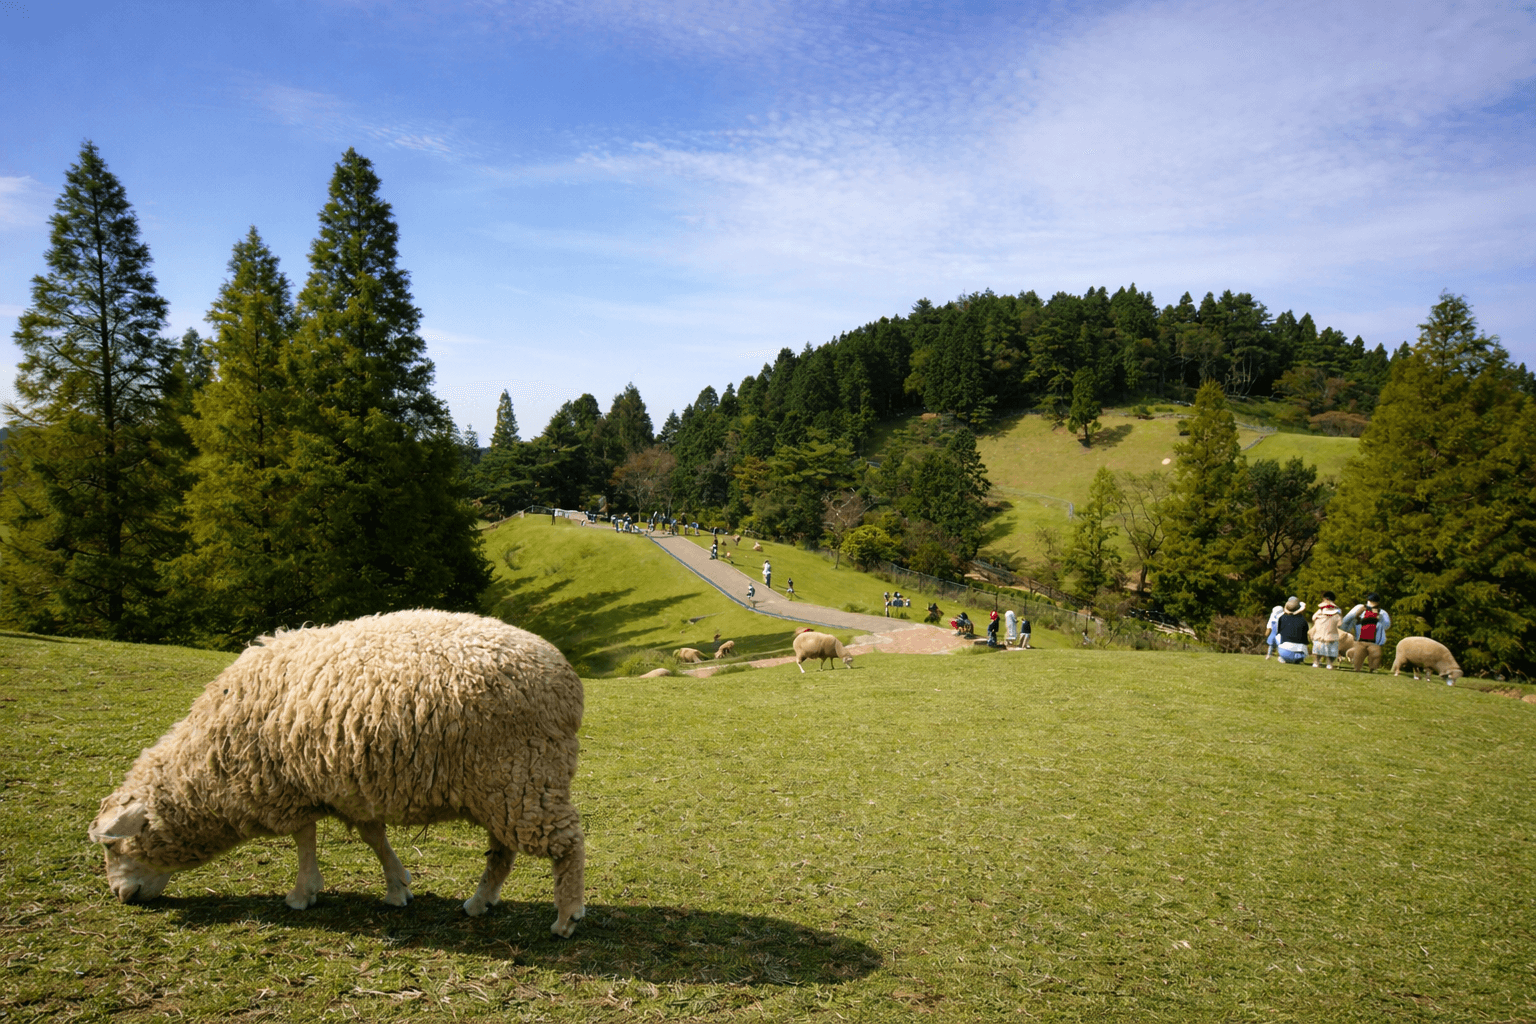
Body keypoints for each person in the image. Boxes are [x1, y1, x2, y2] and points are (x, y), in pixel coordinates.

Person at [1340, 593, 1391, 672]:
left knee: (1362, 653)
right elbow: (1387, 625)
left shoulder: (1360, 608)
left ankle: (1360, 668)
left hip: (1362, 637)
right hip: (1370, 639)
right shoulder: (1382, 612)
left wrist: (1348, 629)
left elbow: (1347, 620)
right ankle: (1370, 668)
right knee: (1373, 654)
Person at [1312, 591, 1343, 669]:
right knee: (1331, 653)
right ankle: (1329, 664)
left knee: (1317, 652)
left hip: (1319, 636)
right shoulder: (1338, 612)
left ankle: (1316, 662)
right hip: (1332, 636)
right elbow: (1340, 624)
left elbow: (1313, 618)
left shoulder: (1321, 611)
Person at [1274, 596, 1309, 663]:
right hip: (1301, 654)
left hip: (1284, 652)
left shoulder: (1282, 618)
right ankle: (1297, 659)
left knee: (1277, 636)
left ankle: (1282, 657)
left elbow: (1279, 632)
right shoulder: (1303, 620)